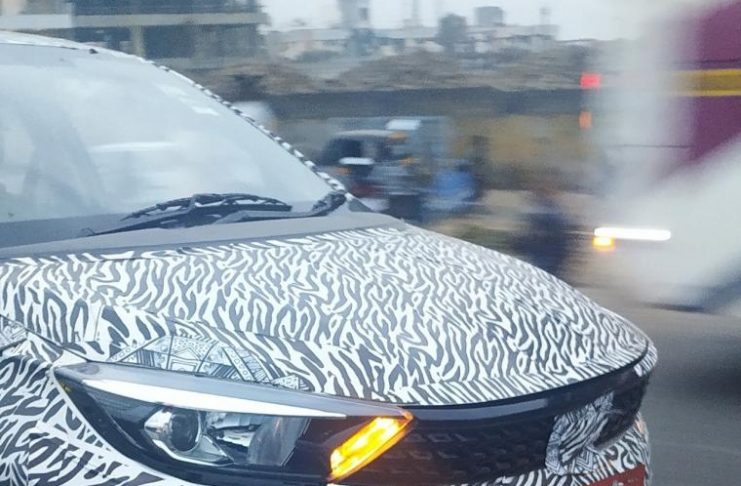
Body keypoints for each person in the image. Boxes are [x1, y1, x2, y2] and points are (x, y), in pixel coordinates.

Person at [516, 177, 571, 278]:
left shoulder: (540, 212)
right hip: (547, 257)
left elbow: (528, 236)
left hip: (543, 257)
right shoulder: (555, 212)